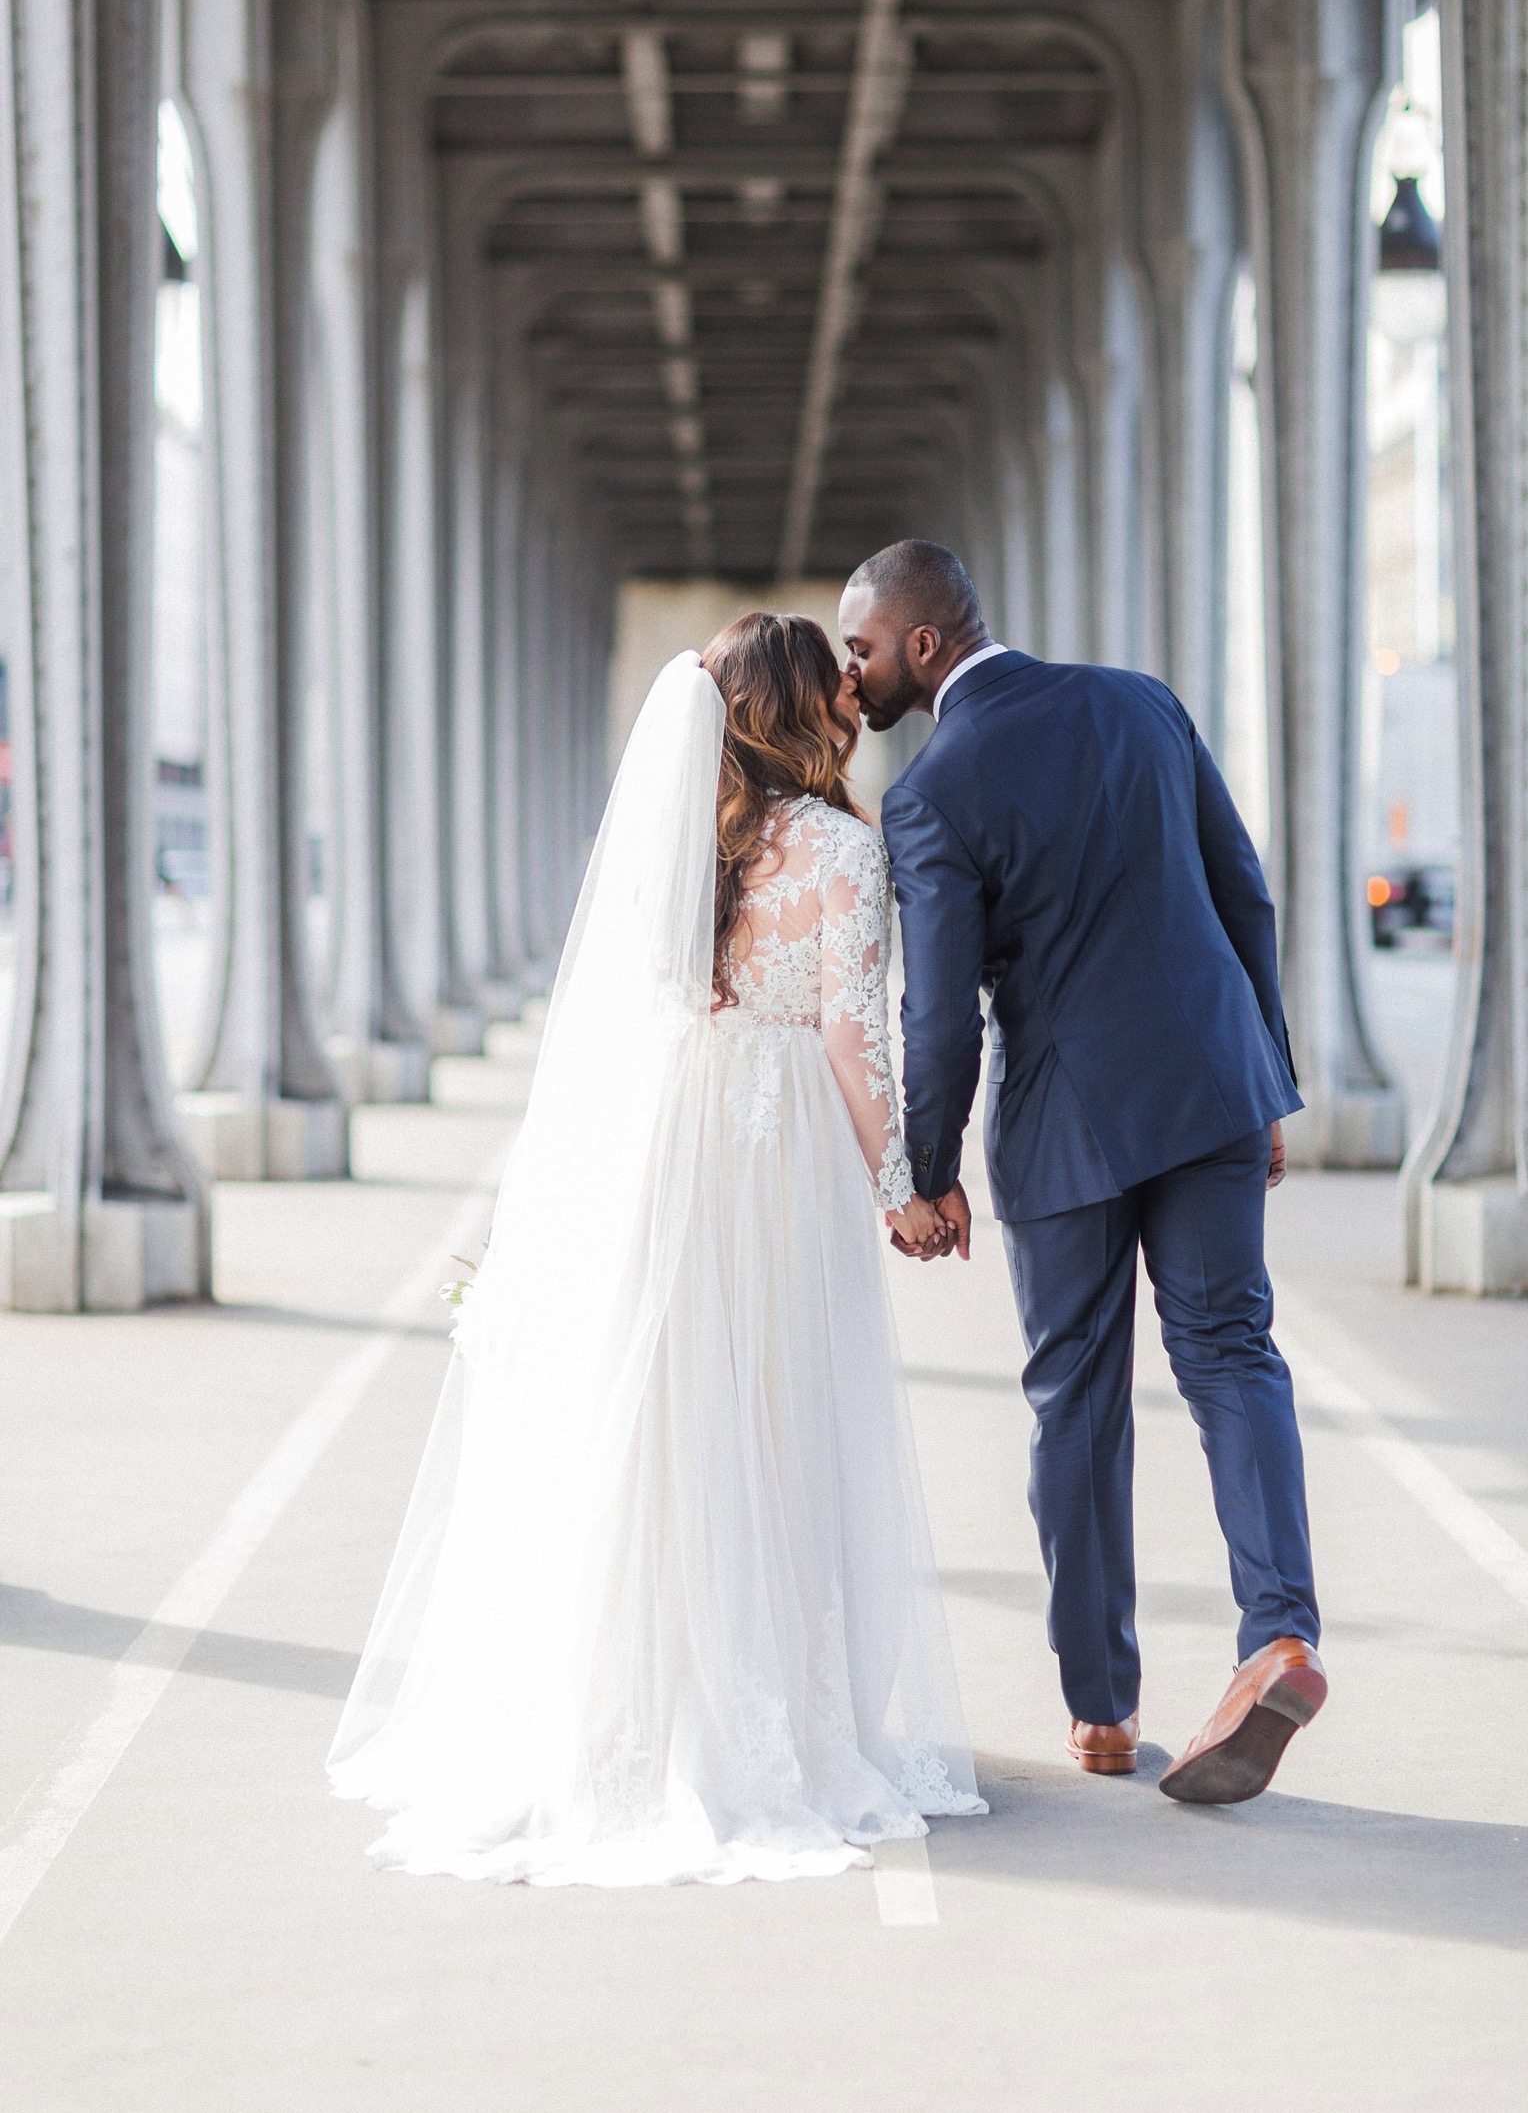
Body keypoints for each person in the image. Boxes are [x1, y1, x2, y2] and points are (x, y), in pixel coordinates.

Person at [329, 613, 985, 1886]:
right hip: (779, 1149)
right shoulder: (842, 852)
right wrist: (904, 1188)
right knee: (778, 1412)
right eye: (835, 685)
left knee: (674, 1415)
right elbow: (858, 1047)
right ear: (804, 708)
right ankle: (774, 1715)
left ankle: (649, 1702)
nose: (856, 697)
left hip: (675, 1139)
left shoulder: (686, 848)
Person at [839, 539, 1326, 1805]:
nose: (854, 672)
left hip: (1069, 1124)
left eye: (864, 646)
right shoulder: (1139, 701)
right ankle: (1278, 1632)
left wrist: (925, 1171)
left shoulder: (932, 791)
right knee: (1230, 1350)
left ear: (925, 643)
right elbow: (1242, 892)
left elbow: (938, 1015)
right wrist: (1261, 1072)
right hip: (1210, 1082)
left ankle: (1102, 1710)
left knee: (1075, 1394)